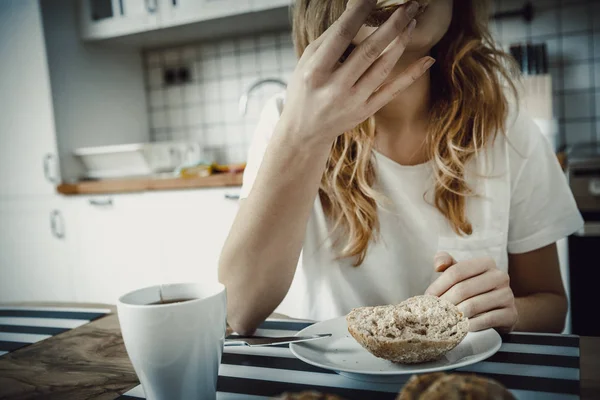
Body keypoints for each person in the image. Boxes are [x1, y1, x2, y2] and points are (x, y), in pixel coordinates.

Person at [218, 0, 583, 335]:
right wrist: (302, 138)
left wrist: (511, 314)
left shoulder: (504, 123)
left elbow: (552, 306)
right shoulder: (285, 121)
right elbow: (238, 310)